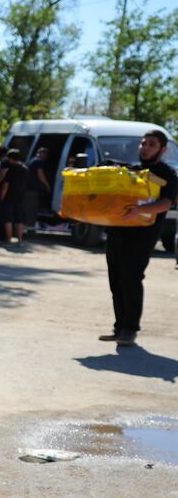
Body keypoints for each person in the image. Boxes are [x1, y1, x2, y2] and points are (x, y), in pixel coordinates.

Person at [100, 130, 177, 346]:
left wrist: (140, 211)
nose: (145, 147)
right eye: (143, 143)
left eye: (151, 144)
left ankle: (130, 329)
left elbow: (167, 203)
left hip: (143, 235)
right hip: (117, 231)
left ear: (163, 150)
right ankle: (119, 327)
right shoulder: (131, 171)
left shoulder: (167, 174)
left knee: (131, 278)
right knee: (115, 279)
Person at [0, 149, 28, 245]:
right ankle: (20, 240)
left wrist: (1, 196)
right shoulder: (25, 169)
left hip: (9, 197)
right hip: (21, 197)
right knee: (20, 219)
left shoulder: (10, 169)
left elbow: (6, 185)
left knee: (7, 218)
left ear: (11, 158)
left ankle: (9, 239)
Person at [26, 145, 52, 228]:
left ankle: (28, 226)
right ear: (40, 153)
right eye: (44, 154)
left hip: (28, 188)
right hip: (33, 189)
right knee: (32, 209)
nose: (45, 156)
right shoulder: (38, 161)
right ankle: (30, 227)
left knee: (29, 208)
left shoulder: (32, 160)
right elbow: (40, 174)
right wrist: (47, 185)